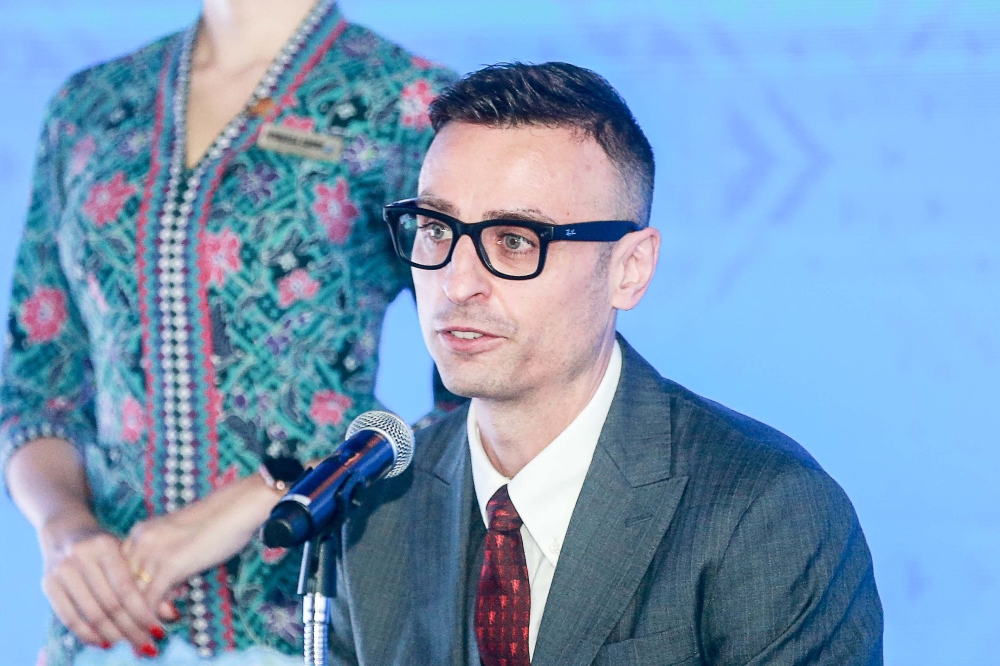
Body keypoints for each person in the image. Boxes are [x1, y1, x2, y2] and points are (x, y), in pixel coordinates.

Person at [326, 62, 884, 665]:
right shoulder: (377, 508)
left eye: (514, 240)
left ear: (630, 269)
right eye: (436, 229)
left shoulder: (767, 512)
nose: (458, 283)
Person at [0, 0, 455, 663]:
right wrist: (67, 532)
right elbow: (36, 387)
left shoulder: (409, 105)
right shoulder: (90, 105)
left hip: (308, 614)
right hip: (112, 626)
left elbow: (482, 398)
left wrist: (271, 492)